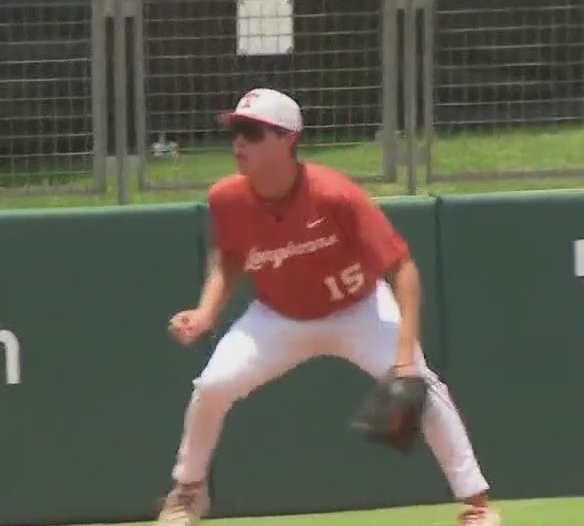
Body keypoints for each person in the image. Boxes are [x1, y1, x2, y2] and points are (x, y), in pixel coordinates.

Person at [157, 88, 501, 526]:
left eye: (251, 132)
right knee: (212, 386)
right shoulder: (227, 197)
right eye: (235, 131)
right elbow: (229, 256)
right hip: (278, 316)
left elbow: (403, 268)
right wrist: (207, 312)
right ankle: (188, 490)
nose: (238, 142)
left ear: (287, 139)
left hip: (359, 311)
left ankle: (478, 506)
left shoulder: (335, 195)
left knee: (423, 389)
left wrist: (403, 357)